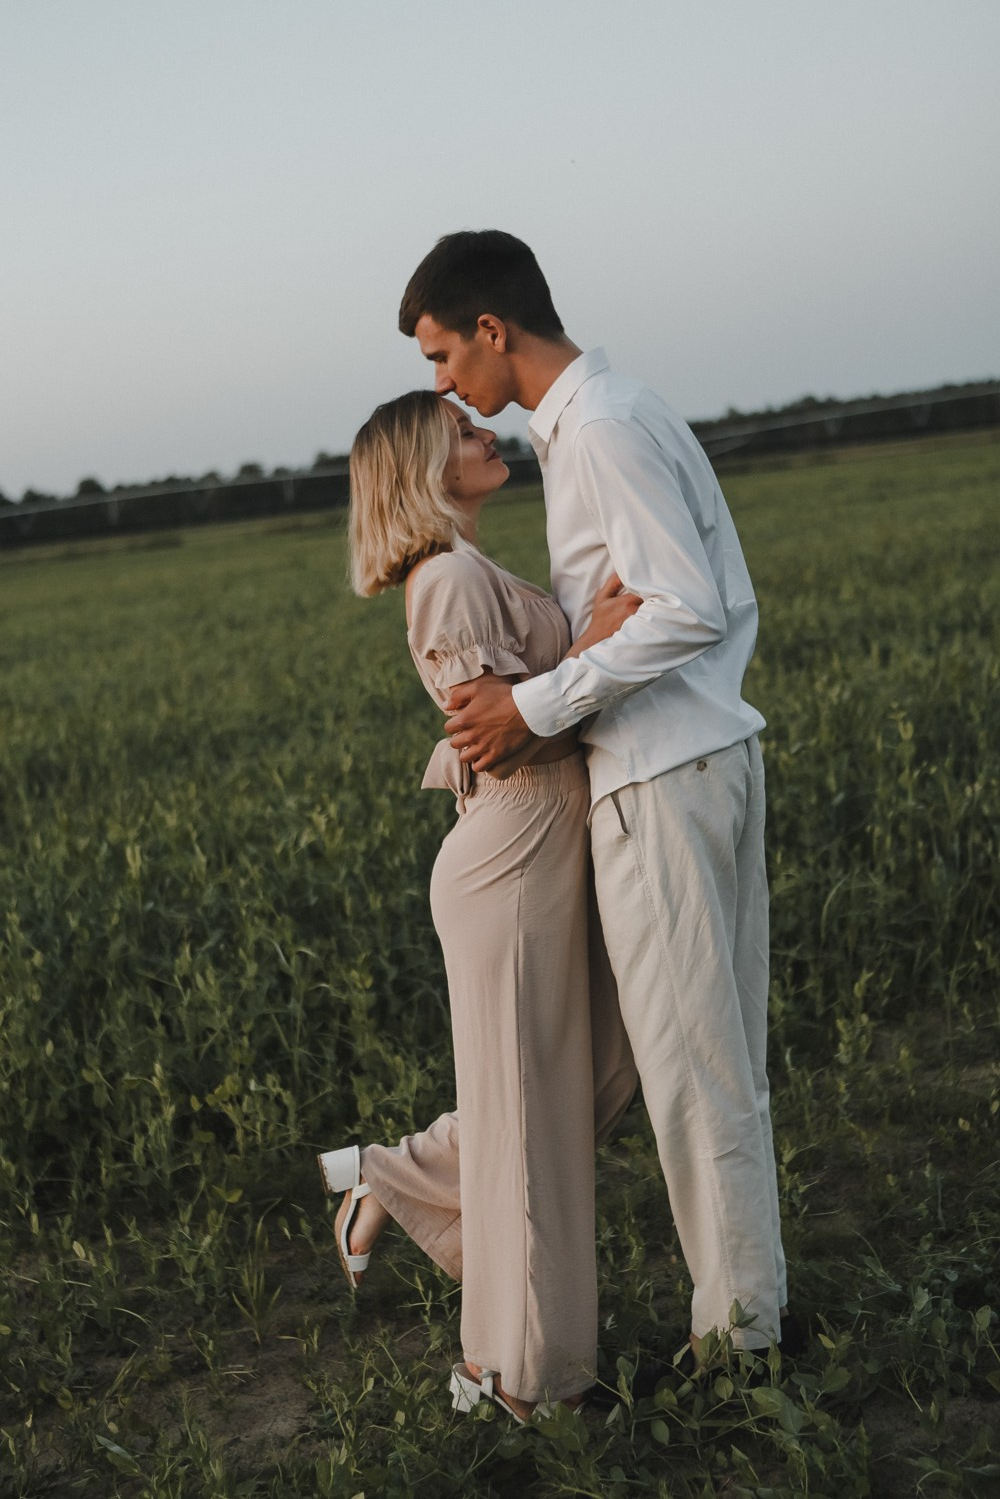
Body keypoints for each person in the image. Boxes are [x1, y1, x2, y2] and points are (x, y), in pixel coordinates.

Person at [398, 230, 790, 1366]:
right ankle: (754, 1319)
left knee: (693, 1077)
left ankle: (740, 1348)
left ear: (492, 329)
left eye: (442, 356)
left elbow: (685, 607)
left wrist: (536, 704)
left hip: (661, 774)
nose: (443, 385)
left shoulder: (604, 428)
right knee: (715, 1065)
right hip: (696, 760)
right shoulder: (609, 416)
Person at [318, 390, 638, 1421]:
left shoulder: (467, 565)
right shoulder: (448, 580)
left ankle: (393, 1178)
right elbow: (505, 738)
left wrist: (588, 649)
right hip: (511, 853)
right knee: (534, 1119)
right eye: (461, 430)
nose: (486, 433)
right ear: (422, 464)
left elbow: (521, 708)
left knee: (593, 1075)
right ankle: (523, 1382)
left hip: (540, 848)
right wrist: (598, 646)